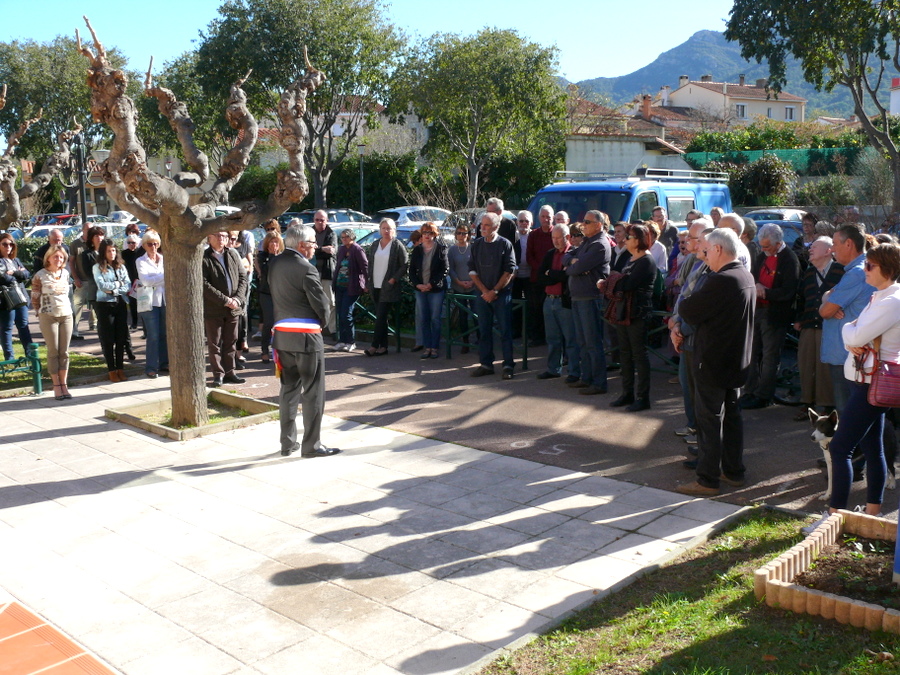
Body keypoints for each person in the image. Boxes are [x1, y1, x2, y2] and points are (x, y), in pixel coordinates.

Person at [677, 228, 755, 496]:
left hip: (713, 360)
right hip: (735, 361)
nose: (704, 256)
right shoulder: (744, 275)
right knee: (731, 418)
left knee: (709, 421)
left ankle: (707, 479)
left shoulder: (721, 279)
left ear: (719, 249)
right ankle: (733, 471)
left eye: (707, 251)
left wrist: (688, 301)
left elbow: (689, 309)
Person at [827, 243, 900, 515]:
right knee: (873, 448)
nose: (865, 269)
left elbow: (855, 334)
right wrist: (852, 332)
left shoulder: (892, 301)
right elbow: (853, 330)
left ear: (888, 269)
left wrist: (850, 332)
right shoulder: (881, 296)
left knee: (840, 447)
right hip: (865, 379)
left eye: (870, 265)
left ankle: (834, 516)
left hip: (873, 382)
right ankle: (872, 513)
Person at [268, 225, 341, 458]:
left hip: (281, 336)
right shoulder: (306, 268)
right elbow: (322, 304)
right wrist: (323, 322)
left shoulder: (275, 263)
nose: (314, 247)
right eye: (312, 243)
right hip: (306, 336)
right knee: (313, 392)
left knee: (288, 390)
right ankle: (312, 445)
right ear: (301, 245)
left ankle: (287, 443)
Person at [741, 223, 801, 409]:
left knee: (769, 356)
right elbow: (753, 276)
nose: (764, 249)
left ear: (778, 243)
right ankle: (750, 390)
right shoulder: (761, 256)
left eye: (767, 246)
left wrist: (766, 292)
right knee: (751, 352)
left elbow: (789, 291)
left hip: (775, 314)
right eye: (762, 246)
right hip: (758, 310)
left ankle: (764, 395)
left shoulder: (790, 260)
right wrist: (756, 287)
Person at [820, 224, 875, 411]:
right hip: (853, 354)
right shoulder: (863, 268)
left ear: (849, 244)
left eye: (835, 243)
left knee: (849, 416)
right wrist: (829, 299)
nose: (832, 249)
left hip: (848, 356)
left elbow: (825, 311)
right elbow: (828, 300)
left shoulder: (856, 273)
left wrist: (828, 301)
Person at [604, 222, 658, 411]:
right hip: (623, 312)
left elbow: (626, 284)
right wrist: (615, 280)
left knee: (639, 355)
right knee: (625, 354)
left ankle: (643, 398)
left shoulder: (647, 261)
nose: (625, 240)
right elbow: (621, 281)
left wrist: (610, 280)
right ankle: (627, 394)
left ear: (639, 240)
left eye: (629, 237)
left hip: (638, 313)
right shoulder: (632, 258)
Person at [793, 236, 843, 419]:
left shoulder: (841, 271)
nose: (810, 249)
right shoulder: (808, 272)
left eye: (815, 246)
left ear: (828, 250)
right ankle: (807, 403)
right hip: (808, 324)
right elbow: (800, 298)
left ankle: (827, 406)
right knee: (806, 364)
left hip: (829, 326)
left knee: (825, 368)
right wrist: (798, 319)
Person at [565, 210, 612, 395]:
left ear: (598, 225)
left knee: (593, 342)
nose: (583, 224)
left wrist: (573, 265)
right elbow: (567, 256)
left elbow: (576, 268)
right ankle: (586, 378)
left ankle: (599, 383)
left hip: (590, 298)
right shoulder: (587, 241)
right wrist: (572, 262)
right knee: (582, 342)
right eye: (582, 221)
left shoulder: (600, 244)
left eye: (587, 222)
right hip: (578, 297)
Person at [469, 211, 517, 379]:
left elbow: (509, 270)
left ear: (496, 227)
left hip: (501, 295)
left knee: (505, 331)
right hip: (482, 295)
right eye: (482, 224)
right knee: (484, 330)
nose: (483, 227)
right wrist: (484, 291)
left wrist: (495, 291)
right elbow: (472, 270)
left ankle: (508, 366)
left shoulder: (505, 244)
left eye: (487, 225)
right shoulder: (476, 244)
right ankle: (486, 364)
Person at [202, 230, 248, 387]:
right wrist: (225, 300)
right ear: (209, 238)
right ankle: (218, 375)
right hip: (214, 308)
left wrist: (237, 299)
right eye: (218, 235)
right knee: (214, 343)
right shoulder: (204, 257)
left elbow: (243, 277)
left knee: (231, 341)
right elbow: (204, 284)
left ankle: (230, 372)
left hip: (233, 307)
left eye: (224, 236)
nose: (222, 239)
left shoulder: (233, 254)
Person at [537, 224, 580, 382]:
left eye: (558, 238)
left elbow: (567, 277)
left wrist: (552, 274)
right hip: (549, 301)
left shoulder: (572, 253)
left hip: (565, 302)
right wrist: (556, 274)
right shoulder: (550, 254)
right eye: (553, 238)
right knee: (552, 338)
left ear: (567, 237)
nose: (554, 241)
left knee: (571, 339)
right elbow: (541, 276)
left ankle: (575, 372)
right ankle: (553, 369)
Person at [31, 245, 73, 400]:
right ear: (48, 258)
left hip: (66, 314)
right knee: (53, 351)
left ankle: (64, 384)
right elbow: (35, 296)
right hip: (48, 315)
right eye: (55, 256)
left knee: (64, 352)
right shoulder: (40, 275)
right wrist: (39, 313)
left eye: (61, 257)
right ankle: (56, 385)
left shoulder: (65, 273)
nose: (58, 259)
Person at [364, 218, 408, 357]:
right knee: (381, 317)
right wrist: (367, 281)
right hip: (375, 284)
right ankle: (383, 347)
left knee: (380, 316)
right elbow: (370, 263)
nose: (386, 231)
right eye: (384, 228)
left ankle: (374, 345)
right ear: (380, 229)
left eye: (389, 228)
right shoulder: (375, 244)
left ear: (394, 230)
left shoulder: (397, 245)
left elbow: (404, 264)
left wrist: (393, 279)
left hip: (388, 286)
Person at [93, 239, 131, 382]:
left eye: (114, 250)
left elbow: (127, 285)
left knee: (121, 338)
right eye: (109, 250)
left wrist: (114, 288)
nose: (112, 253)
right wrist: (118, 285)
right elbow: (102, 286)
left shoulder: (121, 267)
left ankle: (120, 368)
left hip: (120, 303)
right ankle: (111, 370)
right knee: (108, 339)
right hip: (104, 304)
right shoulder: (97, 267)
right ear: (103, 252)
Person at [410, 222, 449, 359]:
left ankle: (435, 347)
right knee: (423, 318)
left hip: (435, 290)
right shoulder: (417, 250)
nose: (427, 235)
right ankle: (427, 347)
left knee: (435, 318)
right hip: (420, 289)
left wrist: (431, 284)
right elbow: (412, 271)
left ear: (435, 234)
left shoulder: (441, 249)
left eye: (430, 233)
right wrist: (417, 285)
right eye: (425, 233)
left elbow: (445, 270)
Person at [136, 231, 168, 379]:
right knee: (153, 335)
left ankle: (164, 363)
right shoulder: (140, 261)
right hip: (149, 302)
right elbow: (146, 281)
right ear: (144, 245)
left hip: (165, 300)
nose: (153, 246)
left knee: (164, 333)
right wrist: (164, 277)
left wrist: (155, 279)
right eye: (150, 244)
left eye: (155, 243)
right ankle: (151, 367)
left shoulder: (164, 259)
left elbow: (169, 277)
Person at [333, 228, 368, 352]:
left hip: (352, 286)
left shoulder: (357, 250)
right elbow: (338, 265)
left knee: (346, 314)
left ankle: (351, 341)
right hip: (339, 286)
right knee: (339, 314)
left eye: (346, 237)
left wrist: (366, 284)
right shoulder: (342, 249)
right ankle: (342, 340)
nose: (344, 240)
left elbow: (365, 267)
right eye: (342, 237)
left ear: (352, 237)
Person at [0, 233, 34, 361]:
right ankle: (9, 358)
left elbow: (26, 274)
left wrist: (14, 272)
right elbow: (3, 277)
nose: (8, 247)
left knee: (23, 325)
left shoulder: (15, 260)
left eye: (11, 244)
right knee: (7, 327)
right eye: (4, 244)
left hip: (21, 298)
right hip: (6, 299)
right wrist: (17, 275)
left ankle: (31, 355)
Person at [255, 230, 284, 363]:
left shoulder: (283, 257)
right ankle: (264, 350)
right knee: (269, 321)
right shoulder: (263, 257)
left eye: (276, 241)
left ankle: (280, 349)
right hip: (266, 293)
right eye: (272, 241)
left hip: (280, 294)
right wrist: (272, 255)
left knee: (281, 322)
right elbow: (265, 271)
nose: (274, 244)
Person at [448, 225, 477, 354]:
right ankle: (465, 342)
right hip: (458, 286)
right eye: (459, 233)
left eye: (464, 233)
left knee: (477, 314)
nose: (461, 235)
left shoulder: (473, 248)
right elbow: (450, 269)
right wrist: (458, 281)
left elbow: (478, 265)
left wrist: (473, 281)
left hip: (474, 285)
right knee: (463, 316)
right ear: (455, 235)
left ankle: (480, 340)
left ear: (468, 235)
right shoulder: (452, 250)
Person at [312, 210, 337, 336]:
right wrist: (322, 249)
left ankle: (332, 330)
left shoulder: (331, 234)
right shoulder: (310, 233)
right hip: (312, 272)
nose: (319, 222)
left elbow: (332, 251)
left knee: (331, 302)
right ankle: (316, 328)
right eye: (317, 220)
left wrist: (316, 249)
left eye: (322, 220)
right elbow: (307, 250)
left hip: (327, 272)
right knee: (314, 301)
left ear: (327, 221)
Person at [68, 221, 93, 340]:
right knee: (76, 306)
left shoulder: (95, 243)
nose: (90, 232)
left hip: (95, 281)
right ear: (83, 230)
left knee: (96, 305)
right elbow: (71, 262)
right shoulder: (75, 244)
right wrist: (75, 278)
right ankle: (73, 331)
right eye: (88, 229)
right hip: (82, 281)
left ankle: (95, 326)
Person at [121, 234, 142, 331]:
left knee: (142, 302)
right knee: (132, 302)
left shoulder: (141, 252)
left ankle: (144, 325)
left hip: (140, 280)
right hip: (129, 280)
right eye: (129, 243)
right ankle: (134, 323)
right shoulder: (124, 253)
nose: (131, 244)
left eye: (133, 243)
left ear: (137, 243)